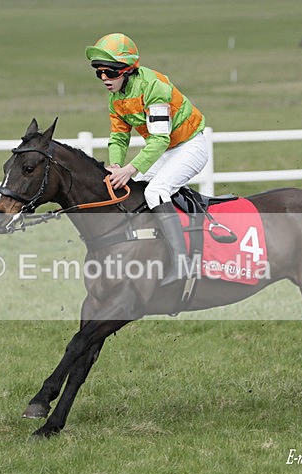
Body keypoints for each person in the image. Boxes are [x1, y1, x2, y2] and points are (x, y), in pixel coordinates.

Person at [85, 33, 208, 286]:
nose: (104, 79)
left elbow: (160, 139)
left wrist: (130, 169)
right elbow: (119, 137)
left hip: (190, 146)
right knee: (136, 193)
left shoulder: (154, 87)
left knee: (156, 192)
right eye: (99, 73)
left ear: (127, 70)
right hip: (166, 150)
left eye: (109, 72)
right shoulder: (115, 98)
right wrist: (117, 165)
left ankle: (182, 263)